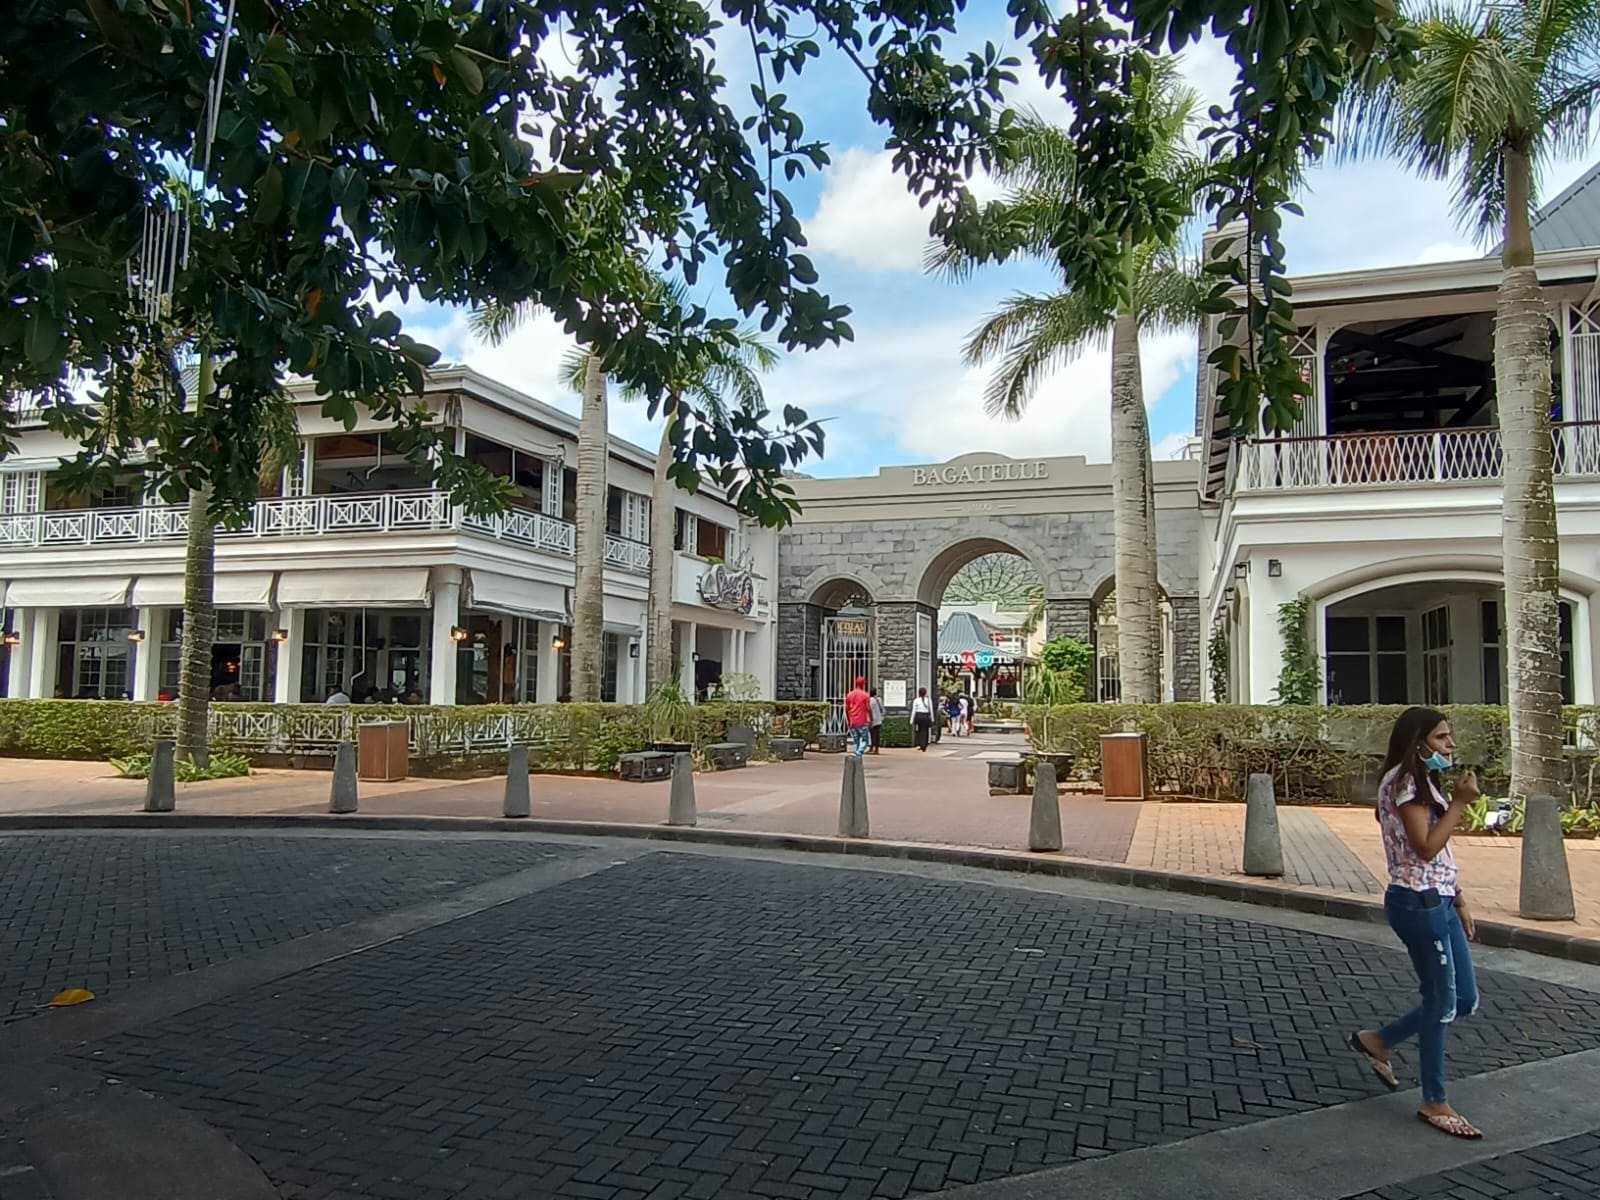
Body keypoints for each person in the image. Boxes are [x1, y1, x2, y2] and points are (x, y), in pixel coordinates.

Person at [1349, 706, 1482, 1140]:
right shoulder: (1406, 783)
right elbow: (1425, 847)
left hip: (1440, 898)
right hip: (1418, 903)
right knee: (1441, 1001)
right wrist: (1459, 803)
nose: (1451, 745)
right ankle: (1434, 1100)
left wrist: (1458, 898)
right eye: (1442, 737)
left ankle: (1379, 1040)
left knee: (1463, 999)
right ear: (1418, 742)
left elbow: (1440, 857)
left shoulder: (1421, 780)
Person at [844, 676, 873, 757]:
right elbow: (868, 708)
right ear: (863, 684)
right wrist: (871, 719)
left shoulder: (850, 695)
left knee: (856, 742)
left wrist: (848, 720)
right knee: (865, 741)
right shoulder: (865, 695)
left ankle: (856, 757)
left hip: (853, 721)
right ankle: (858, 753)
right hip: (862, 722)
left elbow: (847, 709)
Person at [910, 687, 934, 751]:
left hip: (919, 716)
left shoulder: (916, 700)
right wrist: (932, 719)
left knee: (919, 730)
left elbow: (913, 711)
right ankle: (924, 745)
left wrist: (911, 720)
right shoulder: (928, 700)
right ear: (925, 693)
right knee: (925, 731)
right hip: (926, 716)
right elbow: (931, 710)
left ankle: (920, 744)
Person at [868, 687, 885, 755]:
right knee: (877, 734)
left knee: (871, 734)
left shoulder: (869, 700)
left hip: (871, 719)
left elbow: (869, 709)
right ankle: (876, 749)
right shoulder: (879, 699)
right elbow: (882, 709)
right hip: (878, 719)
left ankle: (871, 748)